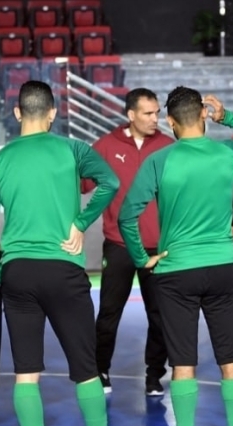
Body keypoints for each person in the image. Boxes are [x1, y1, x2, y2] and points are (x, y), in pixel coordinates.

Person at [0, 80, 134, 426]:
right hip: (64, 269)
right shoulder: (73, 150)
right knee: (86, 370)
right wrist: (80, 223)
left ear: (18, 112)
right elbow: (111, 183)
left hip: (19, 271)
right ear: (54, 113)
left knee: (26, 374)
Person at [118, 87, 233, 426]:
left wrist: (141, 258)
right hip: (221, 267)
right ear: (203, 115)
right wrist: (227, 117)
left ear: (169, 122)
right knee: (232, 361)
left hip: (174, 272)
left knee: (182, 364)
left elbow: (126, 217)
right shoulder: (228, 153)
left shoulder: (159, 159)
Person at [81, 88, 172, 396]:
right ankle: (100, 370)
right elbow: (79, 183)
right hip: (119, 245)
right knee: (108, 313)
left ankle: (154, 376)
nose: (155, 118)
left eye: (157, 112)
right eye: (148, 113)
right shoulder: (105, 147)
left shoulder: (168, 147)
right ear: (130, 115)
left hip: (157, 249)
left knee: (160, 316)